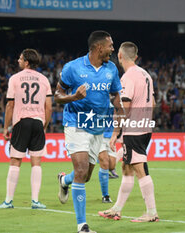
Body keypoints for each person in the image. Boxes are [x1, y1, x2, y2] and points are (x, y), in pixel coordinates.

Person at [55, 30, 122, 233]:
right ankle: (82, 226)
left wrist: (121, 110)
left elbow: (115, 95)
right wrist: (73, 97)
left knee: (84, 176)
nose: (113, 49)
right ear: (99, 47)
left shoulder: (111, 69)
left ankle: (64, 180)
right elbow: (57, 95)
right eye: (110, 45)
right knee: (82, 169)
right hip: (76, 123)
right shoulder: (73, 68)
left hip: (98, 127)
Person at [98, 42, 159, 222]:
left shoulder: (128, 77)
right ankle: (116, 209)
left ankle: (151, 212)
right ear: (136, 57)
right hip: (144, 127)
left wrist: (116, 132)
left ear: (120, 56)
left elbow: (124, 106)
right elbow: (153, 103)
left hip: (134, 130)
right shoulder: (146, 75)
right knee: (126, 168)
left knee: (140, 170)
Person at [0, 49, 52, 209]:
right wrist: (44, 125)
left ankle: (8, 201)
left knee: (15, 160)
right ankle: (35, 201)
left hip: (21, 122)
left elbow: (10, 105)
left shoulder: (15, 79)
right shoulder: (44, 79)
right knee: (36, 162)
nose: (18, 60)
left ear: (27, 62)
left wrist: (6, 127)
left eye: (20, 58)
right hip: (37, 122)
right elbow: (48, 107)